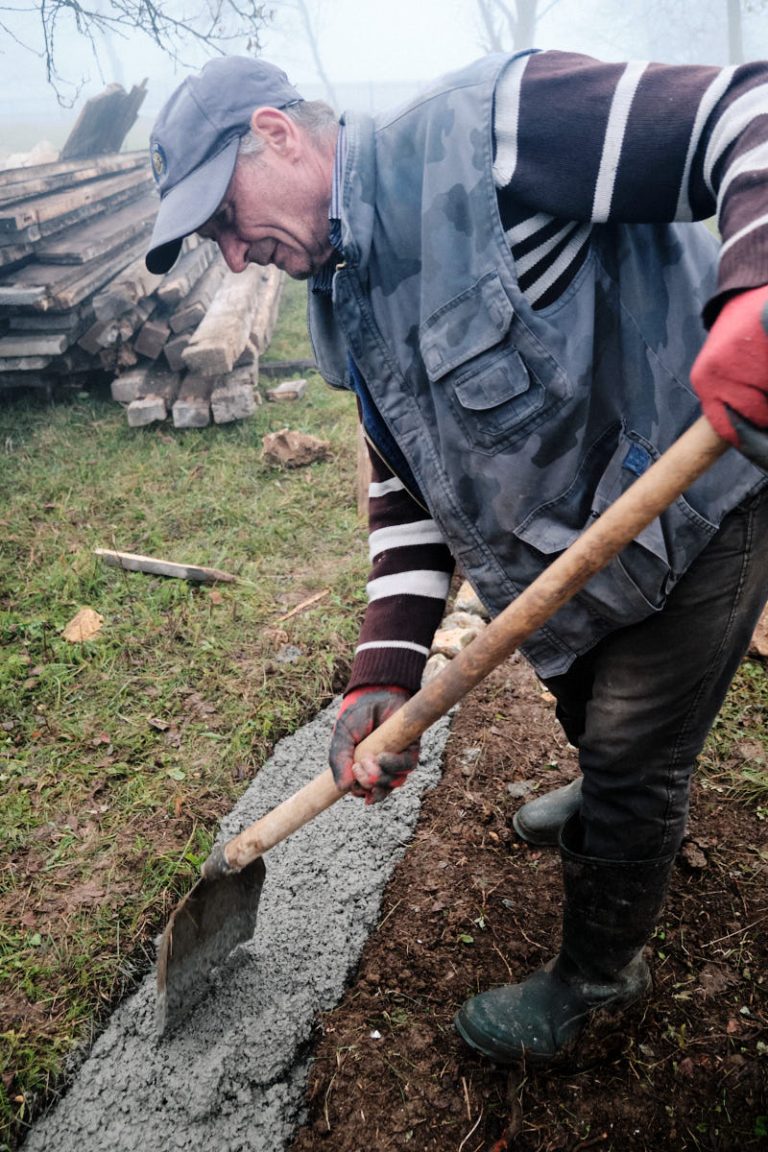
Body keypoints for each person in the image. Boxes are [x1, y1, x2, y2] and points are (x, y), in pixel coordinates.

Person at [145, 50, 768, 1065]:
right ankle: (603, 789)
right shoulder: (341, 297)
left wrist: (757, 293)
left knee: (633, 750)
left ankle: (601, 977)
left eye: (220, 217)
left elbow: (744, 106)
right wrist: (383, 669)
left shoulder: (493, 131)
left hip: (703, 497)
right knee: (584, 705)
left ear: (274, 132)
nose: (232, 258)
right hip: (582, 555)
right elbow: (407, 484)